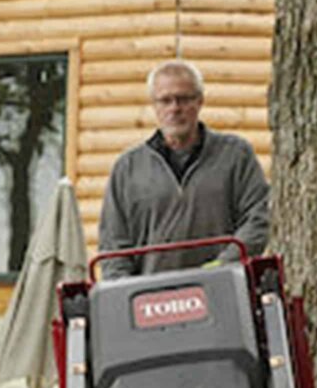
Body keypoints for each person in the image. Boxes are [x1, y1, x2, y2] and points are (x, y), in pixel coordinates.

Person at [98, 59, 270, 278]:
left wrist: (223, 267)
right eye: (165, 100)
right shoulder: (127, 168)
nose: (175, 108)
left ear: (200, 101)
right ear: (154, 105)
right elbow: (113, 247)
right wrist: (127, 294)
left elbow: (258, 219)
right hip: (151, 301)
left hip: (222, 290)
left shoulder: (235, 155)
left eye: (183, 99)